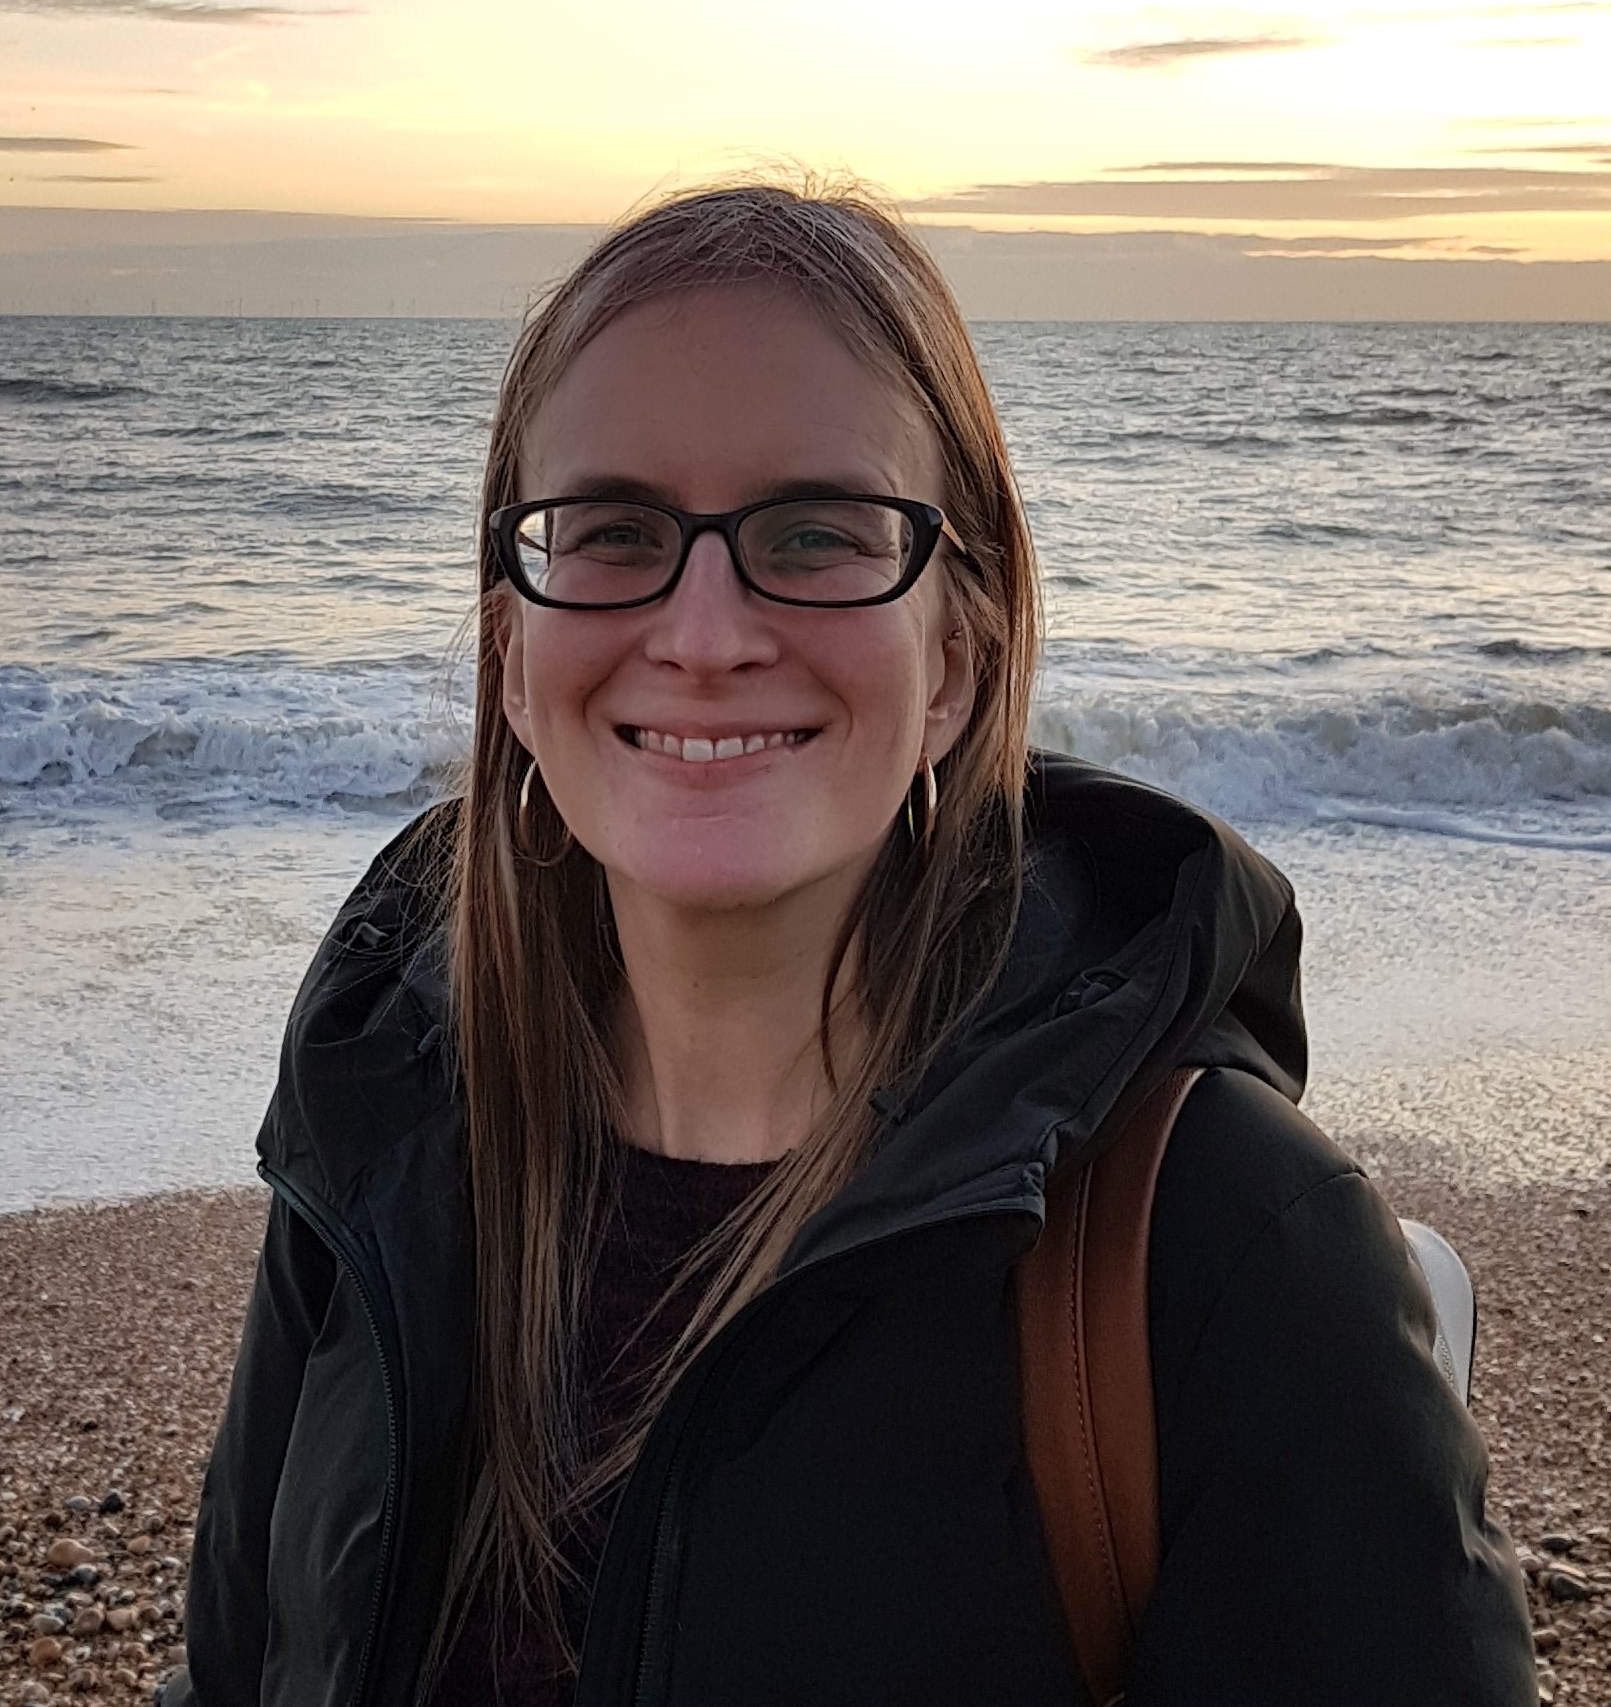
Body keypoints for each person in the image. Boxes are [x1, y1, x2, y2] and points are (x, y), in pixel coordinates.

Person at [159, 179, 1536, 1707]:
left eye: (815, 534)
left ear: (956, 660)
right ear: (511, 651)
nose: (703, 633)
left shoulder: (1232, 1246)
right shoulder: (390, 1119)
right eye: (612, 530)